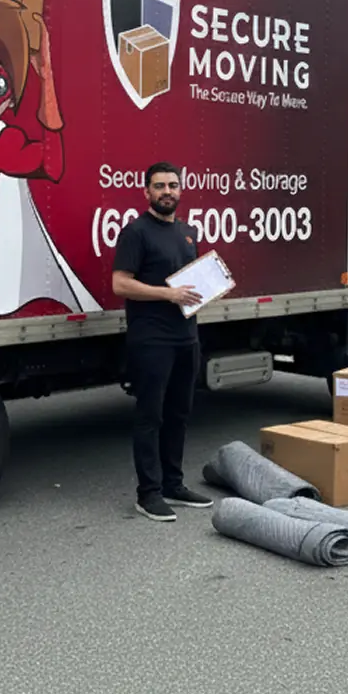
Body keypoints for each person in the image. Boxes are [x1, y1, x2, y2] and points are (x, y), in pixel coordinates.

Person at [111, 162, 212, 522]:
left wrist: (209, 289)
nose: (167, 191)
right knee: (150, 415)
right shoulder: (136, 232)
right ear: (146, 192)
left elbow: (190, 284)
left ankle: (173, 484)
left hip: (187, 337)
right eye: (159, 186)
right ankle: (148, 493)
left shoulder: (187, 232)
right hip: (152, 339)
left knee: (179, 414)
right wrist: (168, 294)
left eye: (172, 185)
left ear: (180, 190)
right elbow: (120, 283)